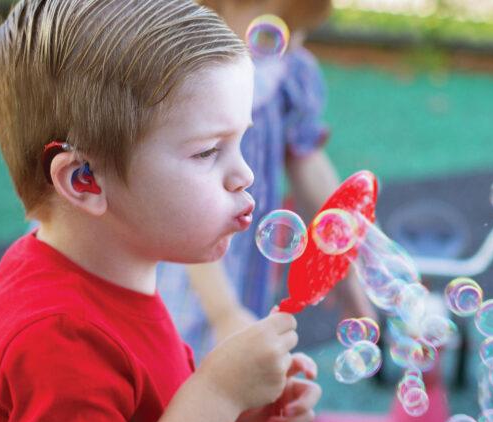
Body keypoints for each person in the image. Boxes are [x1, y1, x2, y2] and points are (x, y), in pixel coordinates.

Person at [0, 0, 322, 422]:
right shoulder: (59, 341)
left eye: (240, 141)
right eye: (207, 151)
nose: (245, 175)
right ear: (85, 180)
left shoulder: (107, 278)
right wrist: (218, 392)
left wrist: (236, 419)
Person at [157, 0, 376, 361]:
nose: (294, 41)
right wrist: (223, 311)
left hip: (244, 259)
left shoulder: (290, 68)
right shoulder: (186, 71)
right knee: (182, 360)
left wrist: (343, 259)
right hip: (183, 259)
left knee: (238, 363)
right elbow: (180, 204)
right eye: (283, 25)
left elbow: (306, 157)